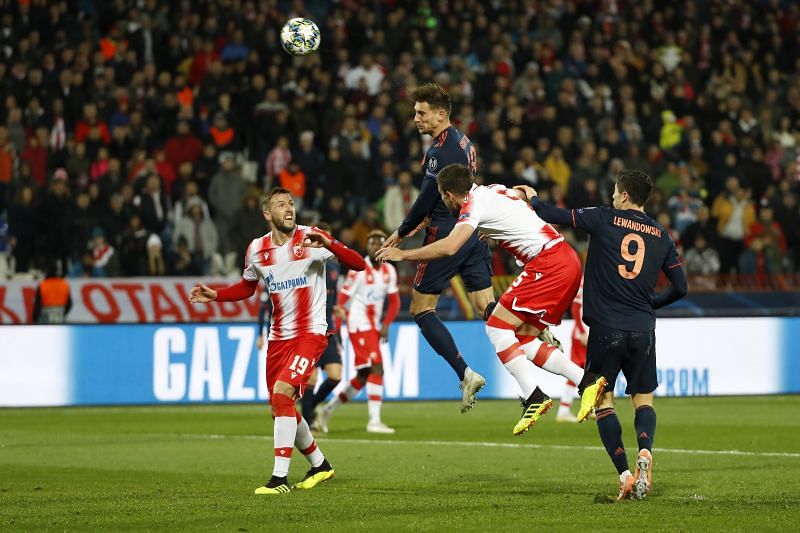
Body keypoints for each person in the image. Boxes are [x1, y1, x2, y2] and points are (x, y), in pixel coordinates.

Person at [517, 169, 687, 501]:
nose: (611, 196)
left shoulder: (604, 218)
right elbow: (680, 287)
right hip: (643, 328)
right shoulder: (662, 234)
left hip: (606, 328)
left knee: (602, 402)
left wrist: (532, 197)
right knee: (643, 399)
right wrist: (651, 302)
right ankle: (646, 451)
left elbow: (555, 215)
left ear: (624, 195)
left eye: (614, 191)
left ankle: (625, 475)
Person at [378, 164, 584, 436]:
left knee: (492, 326)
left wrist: (403, 254)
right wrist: (509, 214)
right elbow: (525, 191)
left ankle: (531, 394)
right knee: (513, 331)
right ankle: (585, 380)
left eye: (441, 196)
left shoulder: (472, 205)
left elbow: (451, 246)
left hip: (546, 261)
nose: (441, 200)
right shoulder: (493, 189)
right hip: (561, 258)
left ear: (449, 194)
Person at [189, 187, 366, 495]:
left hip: (310, 334)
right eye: (281, 204)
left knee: (284, 396)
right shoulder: (257, 249)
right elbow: (247, 287)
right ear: (267, 214)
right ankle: (320, 465)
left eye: (292, 203)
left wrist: (332, 244)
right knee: (279, 406)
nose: (289, 208)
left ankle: (278, 479)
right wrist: (217, 295)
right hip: (278, 339)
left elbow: (359, 264)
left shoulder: (312, 238)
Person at [382, 83, 493, 413]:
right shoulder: (464, 141)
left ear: (440, 114)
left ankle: (465, 373)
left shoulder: (440, 152)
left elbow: (428, 199)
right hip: (472, 227)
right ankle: (533, 331)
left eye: (421, 112)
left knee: (421, 308)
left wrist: (402, 233)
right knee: (485, 304)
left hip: (446, 231)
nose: (415, 118)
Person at [316, 230, 401, 434]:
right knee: (377, 367)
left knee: (363, 375)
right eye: (371, 244)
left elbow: (395, 301)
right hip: (358, 324)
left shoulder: (390, 271)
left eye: (379, 244)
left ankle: (327, 410)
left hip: (372, 326)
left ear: (386, 247)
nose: (375, 247)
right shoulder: (358, 270)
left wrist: (387, 324)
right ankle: (374, 421)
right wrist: (334, 329)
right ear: (367, 247)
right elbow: (342, 299)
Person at [555, 277, 588, 423]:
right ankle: (565, 409)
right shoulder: (587, 279)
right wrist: (581, 332)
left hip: (590, 332)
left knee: (585, 370)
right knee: (580, 369)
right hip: (584, 334)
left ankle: (589, 408)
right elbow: (576, 306)